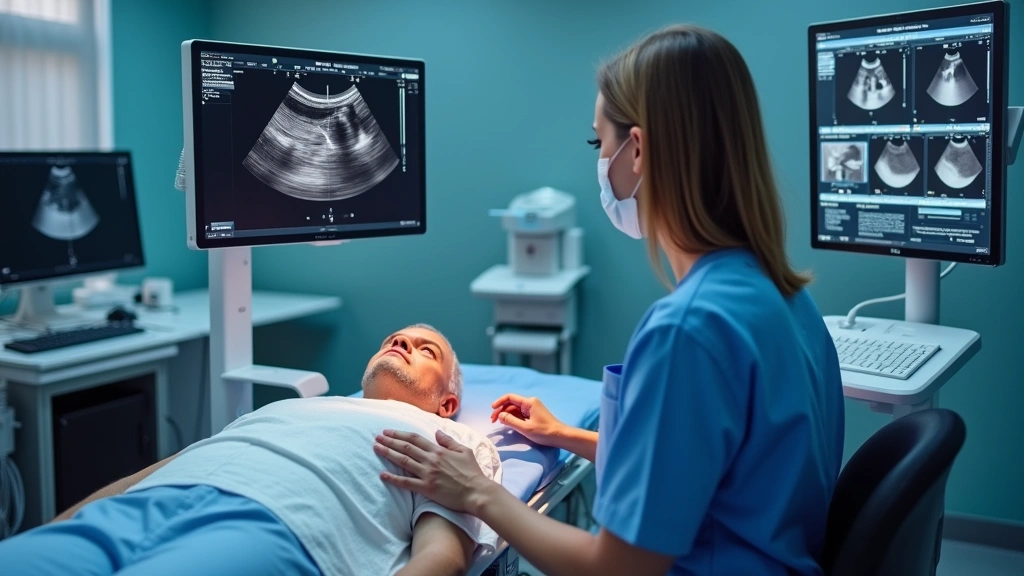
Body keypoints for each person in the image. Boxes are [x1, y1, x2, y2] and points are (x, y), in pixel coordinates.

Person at [372, 24, 846, 576]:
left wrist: (478, 493)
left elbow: (618, 568)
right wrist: (567, 437)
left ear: (638, 149)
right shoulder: (784, 297)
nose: (601, 162)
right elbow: (712, 468)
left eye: (601, 144)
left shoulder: (688, 329)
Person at [0, 324, 501, 576]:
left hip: (273, 526)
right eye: (396, 339)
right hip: (142, 507)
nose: (402, 343)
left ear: (447, 402)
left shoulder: (455, 441)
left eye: (424, 349)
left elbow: (441, 557)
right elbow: (158, 469)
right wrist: (60, 523)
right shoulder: (296, 408)